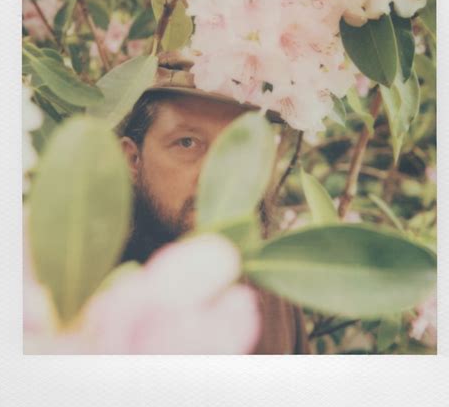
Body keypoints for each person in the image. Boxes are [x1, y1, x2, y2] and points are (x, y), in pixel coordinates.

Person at [116, 56, 309, 354]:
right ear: (132, 159)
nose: (217, 176)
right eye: (187, 143)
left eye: (238, 145)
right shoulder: (82, 293)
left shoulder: (275, 294)